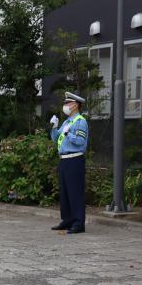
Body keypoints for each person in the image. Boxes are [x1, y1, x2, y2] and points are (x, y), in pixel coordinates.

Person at [50, 92, 89, 234]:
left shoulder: (80, 121)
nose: (65, 106)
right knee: (65, 193)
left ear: (75, 105)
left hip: (75, 159)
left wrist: (68, 134)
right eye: (65, 103)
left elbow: (80, 142)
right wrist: (54, 128)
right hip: (64, 160)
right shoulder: (67, 122)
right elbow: (56, 140)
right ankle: (67, 220)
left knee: (75, 192)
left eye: (67, 103)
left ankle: (78, 224)